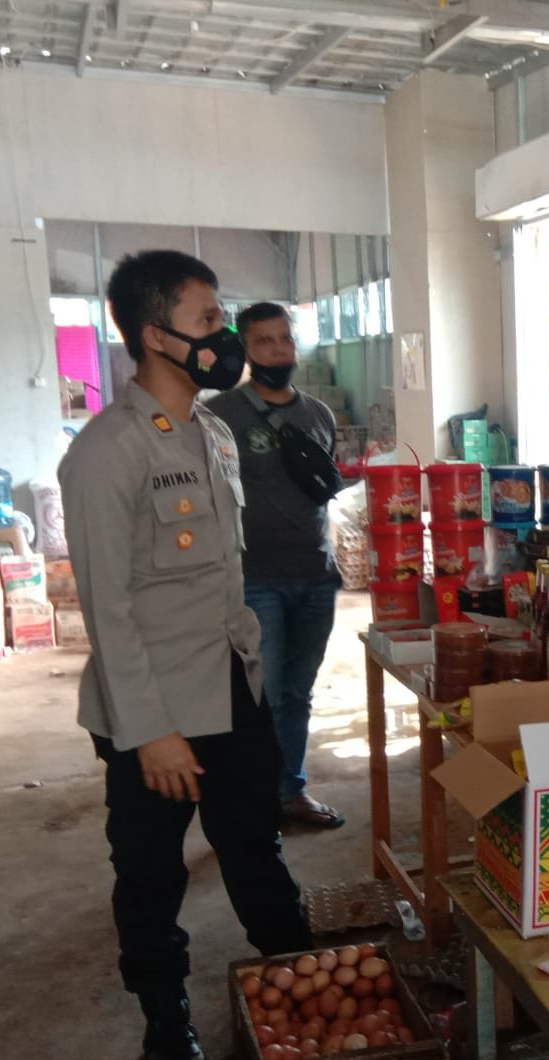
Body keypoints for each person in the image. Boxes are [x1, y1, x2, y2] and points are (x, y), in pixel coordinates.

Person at [58, 251, 313, 1060]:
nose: (226, 337)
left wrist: (253, 684)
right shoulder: (105, 453)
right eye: (208, 323)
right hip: (153, 709)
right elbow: (109, 608)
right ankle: (168, 1025)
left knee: (253, 845)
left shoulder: (212, 432)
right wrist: (150, 732)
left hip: (229, 684)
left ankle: (306, 987)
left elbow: (222, 579)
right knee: (152, 873)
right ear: (153, 334)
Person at [207, 303, 345, 831]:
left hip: (316, 574)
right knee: (261, 696)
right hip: (255, 578)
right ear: (245, 349)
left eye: (284, 340)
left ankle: (290, 791)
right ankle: (254, 801)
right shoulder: (220, 414)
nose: (278, 351)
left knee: (297, 692)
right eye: (264, 341)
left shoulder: (317, 414)